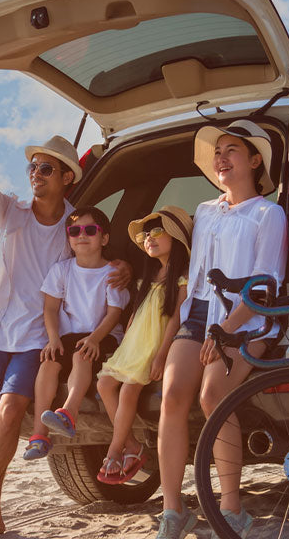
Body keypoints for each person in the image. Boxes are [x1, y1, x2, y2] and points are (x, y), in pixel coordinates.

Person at [0, 123, 131, 539]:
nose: (36, 173)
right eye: (33, 166)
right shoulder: (10, 212)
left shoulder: (76, 226)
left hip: (40, 335)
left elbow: (102, 256)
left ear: (67, 177)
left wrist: (125, 267)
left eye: (47, 168)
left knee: (14, 410)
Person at [154, 120, 287, 539]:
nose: (221, 157)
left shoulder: (269, 213)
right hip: (198, 314)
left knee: (212, 397)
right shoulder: (206, 212)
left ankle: (232, 510)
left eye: (232, 150)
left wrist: (224, 331)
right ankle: (173, 511)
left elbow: (265, 284)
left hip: (245, 320)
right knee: (172, 398)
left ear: (254, 160)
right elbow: (192, 278)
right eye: (218, 151)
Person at [95, 205, 193, 485]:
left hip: (155, 343)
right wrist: (125, 342)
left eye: (158, 232)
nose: (149, 237)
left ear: (177, 239)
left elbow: (176, 318)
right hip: (135, 343)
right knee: (104, 385)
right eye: (146, 234)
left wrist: (162, 354)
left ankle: (115, 449)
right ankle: (132, 446)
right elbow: (137, 316)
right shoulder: (147, 277)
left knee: (128, 391)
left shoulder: (183, 276)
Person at [22, 206, 129, 460]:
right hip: (71, 335)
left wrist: (94, 339)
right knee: (49, 363)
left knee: (81, 355)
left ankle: (68, 413)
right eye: (75, 230)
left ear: (104, 238)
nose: (82, 235)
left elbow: (114, 313)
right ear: (68, 238)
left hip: (104, 335)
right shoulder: (62, 270)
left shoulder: (112, 273)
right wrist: (53, 338)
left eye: (90, 230)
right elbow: (50, 308)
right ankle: (39, 436)